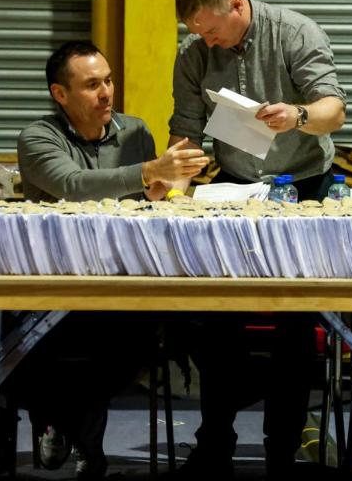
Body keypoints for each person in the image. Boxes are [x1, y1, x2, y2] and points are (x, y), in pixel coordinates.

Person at [166, 0, 347, 480]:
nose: (207, 41)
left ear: (238, 5)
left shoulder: (294, 32)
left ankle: (282, 452)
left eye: (212, 29)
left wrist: (298, 115)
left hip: (306, 183)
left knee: (296, 324)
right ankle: (214, 446)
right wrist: (176, 188)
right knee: (216, 315)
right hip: (236, 188)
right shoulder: (194, 54)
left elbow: (335, 109)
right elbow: (186, 132)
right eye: (197, 33)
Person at [13, 40, 209, 479]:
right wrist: (147, 173)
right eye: (91, 85)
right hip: (54, 282)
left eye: (108, 81)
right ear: (59, 94)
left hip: (122, 279)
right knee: (37, 342)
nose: (106, 93)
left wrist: (160, 188)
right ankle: (73, 433)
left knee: (137, 338)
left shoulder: (136, 132)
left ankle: (73, 433)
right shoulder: (37, 137)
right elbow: (71, 184)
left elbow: (148, 197)